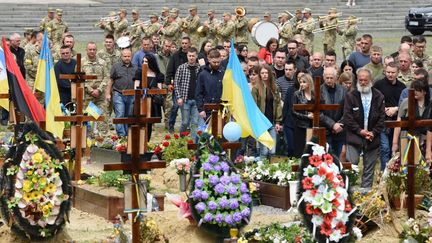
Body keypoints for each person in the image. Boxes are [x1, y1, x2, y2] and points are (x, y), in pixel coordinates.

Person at [344, 68, 385, 189]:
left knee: (369, 170)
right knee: (351, 168)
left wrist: (373, 132)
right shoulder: (351, 96)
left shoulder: (379, 96)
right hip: (354, 137)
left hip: (372, 137)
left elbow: (382, 118)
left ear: (370, 80)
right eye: (360, 80)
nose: (362, 82)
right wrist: (360, 131)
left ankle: (365, 194)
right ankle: (349, 193)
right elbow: (348, 117)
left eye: (365, 80)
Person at [373, 62, 406, 170]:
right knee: (385, 148)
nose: (390, 75)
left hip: (397, 121)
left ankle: (395, 171)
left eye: (393, 72)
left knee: (395, 148)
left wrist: (396, 109)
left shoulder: (402, 86)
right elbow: (373, 101)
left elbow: (404, 103)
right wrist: (383, 109)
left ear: (398, 73)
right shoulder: (378, 85)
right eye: (388, 72)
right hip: (382, 121)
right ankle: (384, 172)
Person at [252, 64, 282, 158]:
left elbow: (277, 105)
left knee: (272, 151)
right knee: (264, 151)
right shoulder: (256, 88)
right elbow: (254, 106)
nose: (265, 75)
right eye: (262, 73)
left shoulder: (275, 88)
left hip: (271, 122)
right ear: (259, 75)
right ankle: (262, 170)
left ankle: (270, 170)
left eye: (266, 73)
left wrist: (278, 121)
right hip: (261, 123)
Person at [393, 80, 431, 156]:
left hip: (424, 141)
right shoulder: (406, 102)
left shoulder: (429, 105)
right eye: (413, 89)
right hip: (406, 138)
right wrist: (395, 143)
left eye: (418, 90)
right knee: (406, 165)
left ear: (424, 92)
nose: (415, 92)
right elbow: (398, 123)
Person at [106, 49, 138, 137]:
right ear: (121, 56)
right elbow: (111, 80)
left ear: (131, 56)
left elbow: (138, 81)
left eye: (128, 56)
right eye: (125, 56)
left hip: (131, 95)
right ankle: (121, 135)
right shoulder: (116, 67)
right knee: (120, 114)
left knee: (128, 115)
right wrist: (108, 93)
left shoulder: (136, 68)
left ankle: (127, 134)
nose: (127, 58)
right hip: (118, 94)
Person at [134, 53, 165, 141]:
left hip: (152, 103)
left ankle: (146, 142)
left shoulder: (158, 75)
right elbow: (135, 88)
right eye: (143, 61)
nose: (144, 63)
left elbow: (159, 90)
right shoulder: (139, 73)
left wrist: (152, 91)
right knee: (139, 123)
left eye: (146, 61)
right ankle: (138, 141)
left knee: (149, 124)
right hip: (141, 101)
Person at [82, 42, 110, 136]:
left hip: (100, 97)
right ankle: (88, 141)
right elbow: (79, 79)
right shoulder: (81, 63)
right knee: (88, 121)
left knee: (102, 119)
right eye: (90, 49)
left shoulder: (102, 62)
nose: (92, 51)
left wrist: (99, 90)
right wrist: (90, 90)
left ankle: (103, 141)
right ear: (86, 50)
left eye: (94, 49)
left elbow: (106, 77)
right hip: (87, 97)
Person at [174, 47, 200, 141]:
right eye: (189, 56)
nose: (191, 58)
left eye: (193, 56)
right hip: (185, 99)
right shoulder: (181, 68)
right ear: (187, 56)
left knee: (195, 122)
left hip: (196, 100)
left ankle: (193, 142)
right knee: (185, 122)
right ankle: (181, 139)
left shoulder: (199, 68)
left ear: (196, 56)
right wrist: (179, 97)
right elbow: (176, 83)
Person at [166, 37, 191, 133]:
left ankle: (187, 126)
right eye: (182, 43)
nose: (184, 45)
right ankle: (171, 125)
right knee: (175, 106)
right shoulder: (175, 56)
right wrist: (168, 83)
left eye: (186, 43)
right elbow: (169, 70)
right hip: (177, 85)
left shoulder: (191, 55)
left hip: (189, 85)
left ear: (189, 44)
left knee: (187, 107)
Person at [320, 68, 347, 157]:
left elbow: (347, 109)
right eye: (327, 78)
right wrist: (332, 124)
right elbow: (318, 112)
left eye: (331, 78)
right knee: (327, 156)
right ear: (323, 77)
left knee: (337, 158)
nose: (329, 80)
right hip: (325, 130)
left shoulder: (343, 90)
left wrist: (339, 124)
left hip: (339, 130)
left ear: (336, 78)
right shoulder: (318, 90)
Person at [196, 49, 224, 120]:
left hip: (222, 108)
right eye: (214, 62)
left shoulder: (223, 73)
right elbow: (198, 93)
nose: (216, 64)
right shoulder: (203, 74)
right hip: (207, 109)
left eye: (218, 62)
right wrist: (200, 109)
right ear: (209, 60)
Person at [292, 73, 314, 157]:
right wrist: (306, 117)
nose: (302, 84)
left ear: (309, 83)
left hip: (312, 125)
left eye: (304, 82)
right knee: (300, 149)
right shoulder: (297, 94)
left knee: (311, 149)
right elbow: (293, 111)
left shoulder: (314, 94)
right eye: (300, 82)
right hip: (300, 126)